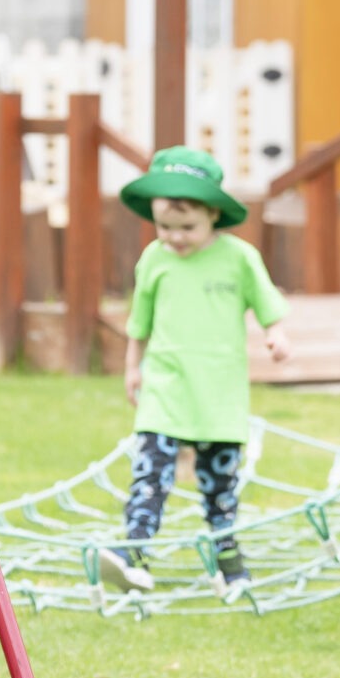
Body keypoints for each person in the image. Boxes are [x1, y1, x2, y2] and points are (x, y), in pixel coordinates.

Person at [97, 148, 291, 594]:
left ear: (214, 216)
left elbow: (267, 303)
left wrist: (277, 334)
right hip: (165, 384)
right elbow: (139, 324)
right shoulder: (154, 259)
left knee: (219, 482)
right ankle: (134, 553)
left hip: (219, 391)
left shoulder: (238, 258)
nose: (176, 237)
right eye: (166, 226)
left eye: (187, 228)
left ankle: (227, 559)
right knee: (151, 471)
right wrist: (133, 370)